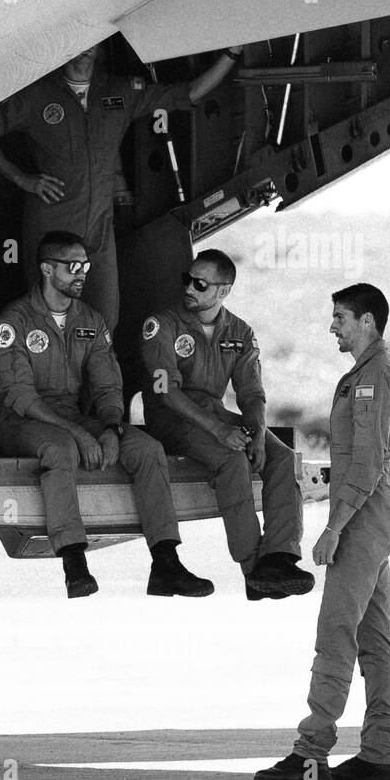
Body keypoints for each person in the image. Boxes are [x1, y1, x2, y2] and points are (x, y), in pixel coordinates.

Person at [0, 230, 213, 599]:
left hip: (75, 416)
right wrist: (79, 435)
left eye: (86, 266)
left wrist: (111, 428)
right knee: (61, 449)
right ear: (47, 270)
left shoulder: (90, 320)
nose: (82, 273)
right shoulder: (14, 321)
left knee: (145, 449)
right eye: (72, 266)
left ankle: (165, 562)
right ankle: (74, 561)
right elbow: (20, 396)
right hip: (23, 421)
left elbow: (108, 387)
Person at [0, 41, 242, 331]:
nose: (83, 49)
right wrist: (21, 178)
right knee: (48, 327)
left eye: (90, 43)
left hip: (98, 233)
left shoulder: (119, 92)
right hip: (52, 229)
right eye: (75, 42)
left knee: (103, 325)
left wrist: (231, 53)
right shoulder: (37, 95)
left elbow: (187, 93)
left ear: (99, 47)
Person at [255, 284, 390, 780]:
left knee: (336, 634)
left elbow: (365, 464)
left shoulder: (374, 378)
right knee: (372, 635)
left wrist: (333, 529)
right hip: (372, 511)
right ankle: (381, 753)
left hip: (363, 515)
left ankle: (311, 753)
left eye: (341, 317)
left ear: (368, 322)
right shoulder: (369, 374)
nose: (333, 327)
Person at [139, 249, 314, 600]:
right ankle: (253, 568)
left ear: (222, 291)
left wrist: (258, 436)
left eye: (199, 284)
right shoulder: (162, 325)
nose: (189, 288)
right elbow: (167, 393)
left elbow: (252, 394)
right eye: (187, 280)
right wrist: (220, 431)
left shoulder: (239, 331)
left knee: (281, 458)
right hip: (171, 416)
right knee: (231, 459)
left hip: (214, 413)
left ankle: (279, 557)